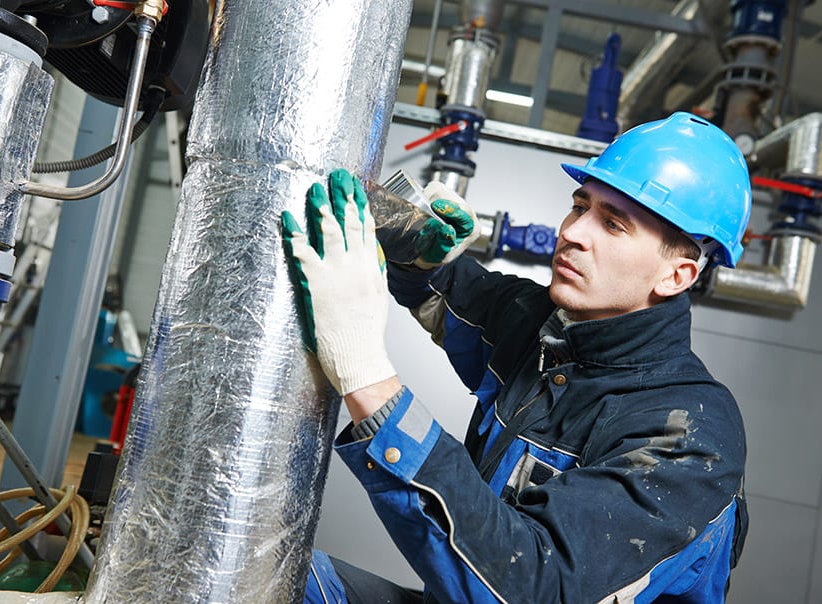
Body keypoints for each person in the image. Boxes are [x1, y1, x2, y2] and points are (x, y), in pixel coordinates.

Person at [282, 111, 751, 603]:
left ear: (677, 276)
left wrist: (365, 376)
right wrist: (418, 252)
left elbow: (534, 586)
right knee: (267, 573)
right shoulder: (548, 328)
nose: (572, 232)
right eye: (580, 206)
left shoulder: (689, 435)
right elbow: (454, 295)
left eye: (613, 224)